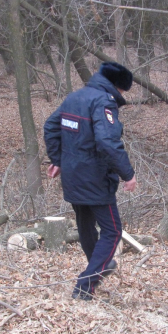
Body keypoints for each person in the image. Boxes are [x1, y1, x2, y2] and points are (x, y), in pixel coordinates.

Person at [44, 61, 137, 300]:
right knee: (113, 230)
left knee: (85, 225)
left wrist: (58, 159)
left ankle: (97, 268)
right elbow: (107, 142)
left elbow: (50, 127)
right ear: (119, 87)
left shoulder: (74, 97)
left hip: (74, 176)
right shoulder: (104, 102)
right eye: (124, 90)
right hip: (95, 177)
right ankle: (86, 284)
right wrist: (128, 174)